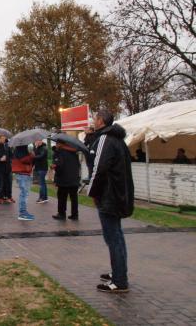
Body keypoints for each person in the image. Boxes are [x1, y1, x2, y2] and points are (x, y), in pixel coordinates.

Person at [88, 109, 134, 293]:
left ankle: (120, 281)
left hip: (109, 196)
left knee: (113, 238)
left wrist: (92, 193)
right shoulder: (118, 140)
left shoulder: (105, 140)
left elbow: (98, 169)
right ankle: (119, 272)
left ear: (100, 121)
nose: (93, 120)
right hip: (117, 195)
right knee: (117, 236)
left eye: (94, 118)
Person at [51, 142, 80, 220]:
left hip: (63, 179)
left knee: (62, 197)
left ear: (60, 144)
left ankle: (61, 214)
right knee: (74, 197)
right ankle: (75, 214)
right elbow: (78, 165)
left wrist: (54, 167)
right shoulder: (74, 152)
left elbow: (59, 166)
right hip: (74, 178)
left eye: (57, 143)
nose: (56, 145)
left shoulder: (60, 153)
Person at [12, 144, 35, 221]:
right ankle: (22, 213)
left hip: (22, 174)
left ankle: (23, 212)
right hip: (23, 174)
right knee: (24, 194)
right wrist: (31, 155)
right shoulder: (21, 149)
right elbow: (24, 160)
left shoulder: (18, 148)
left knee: (24, 193)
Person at [0, 135, 14, 204]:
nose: (3, 139)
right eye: (2, 138)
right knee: (1, 183)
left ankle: (8, 196)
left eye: (4, 138)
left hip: (7, 167)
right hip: (0, 168)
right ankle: (0, 197)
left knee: (8, 183)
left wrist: (10, 158)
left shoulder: (7, 146)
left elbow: (11, 155)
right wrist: (0, 159)